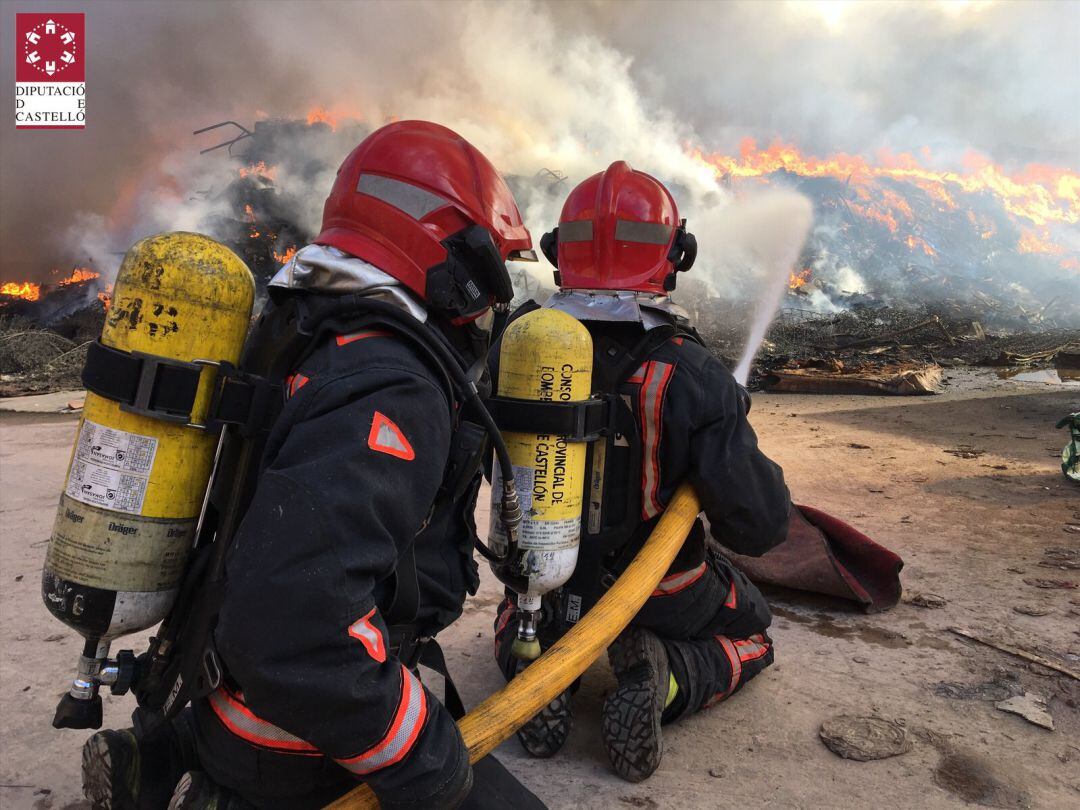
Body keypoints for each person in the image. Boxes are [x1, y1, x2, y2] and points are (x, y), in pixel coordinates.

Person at [81, 121, 547, 810]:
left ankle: (165, 756)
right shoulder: (392, 384)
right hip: (298, 741)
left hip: (217, 679)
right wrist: (424, 762)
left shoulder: (304, 320)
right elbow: (297, 627)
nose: (490, 305)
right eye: (489, 273)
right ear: (454, 256)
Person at [491, 161, 791, 783]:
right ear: (675, 256)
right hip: (659, 592)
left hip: (545, 579)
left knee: (516, 612)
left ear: (558, 252)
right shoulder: (691, 372)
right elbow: (758, 526)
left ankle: (536, 667)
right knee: (754, 631)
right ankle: (667, 679)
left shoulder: (517, 349)